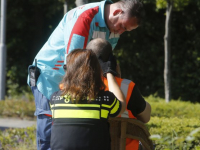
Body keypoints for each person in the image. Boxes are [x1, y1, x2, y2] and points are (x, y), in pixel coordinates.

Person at [27, 0, 145, 149]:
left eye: (126, 30)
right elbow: (74, 63)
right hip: (50, 76)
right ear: (116, 12)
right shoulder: (84, 18)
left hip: (75, 79)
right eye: (122, 26)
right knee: (48, 130)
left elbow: (102, 62)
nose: (120, 32)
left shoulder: (114, 27)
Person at [50, 49, 126, 150]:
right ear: (96, 71)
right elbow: (122, 106)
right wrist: (110, 73)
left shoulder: (55, 99)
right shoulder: (104, 99)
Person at [86, 38, 151, 150]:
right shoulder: (127, 86)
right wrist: (116, 77)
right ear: (113, 61)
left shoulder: (75, 87)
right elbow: (146, 117)